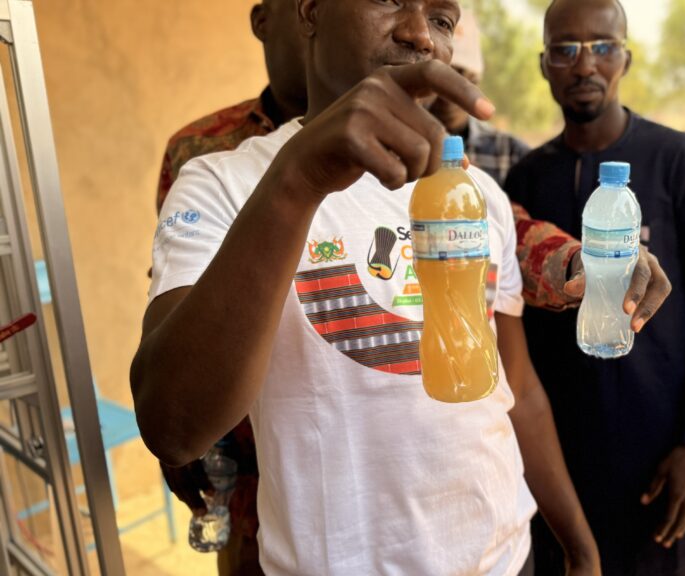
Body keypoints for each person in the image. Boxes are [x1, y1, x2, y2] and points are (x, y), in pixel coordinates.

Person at [133, 1, 603, 574]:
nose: (420, 35)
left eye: (442, 20)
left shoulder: (474, 193)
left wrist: (579, 545)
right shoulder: (223, 184)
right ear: (310, 12)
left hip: (504, 558)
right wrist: (302, 177)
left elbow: (517, 390)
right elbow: (173, 427)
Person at [504, 1, 685, 574]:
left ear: (626, 59)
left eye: (602, 47)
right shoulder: (526, 180)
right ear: (544, 65)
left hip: (660, 466)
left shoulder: (678, 160)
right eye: (565, 49)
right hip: (559, 468)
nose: (584, 64)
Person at [155, 1, 305, 574]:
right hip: (238, 452)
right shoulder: (202, 150)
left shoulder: (389, 149)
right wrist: (184, 428)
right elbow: (173, 286)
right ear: (262, 21)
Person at [427, 10, 530, 188]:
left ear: (475, 79)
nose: (448, 84)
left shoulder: (510, 153)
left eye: (459, 72)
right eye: (441, 72)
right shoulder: (400, 143)